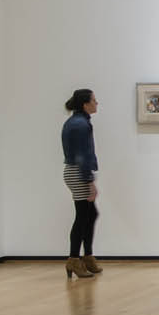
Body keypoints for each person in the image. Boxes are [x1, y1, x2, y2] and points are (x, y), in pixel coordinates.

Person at [61, 89, 102, 280]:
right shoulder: (80, 125)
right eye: (94, 100)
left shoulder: (77, 122)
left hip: (77, 171)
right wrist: (89, 181)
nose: (97, 103)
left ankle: (86, 257)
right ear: (85, 104)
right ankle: (74, 258)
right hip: (78, 172)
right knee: (83, 216)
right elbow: (81, 156)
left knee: (89, 214)